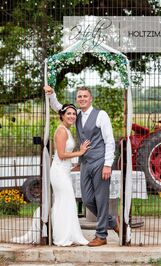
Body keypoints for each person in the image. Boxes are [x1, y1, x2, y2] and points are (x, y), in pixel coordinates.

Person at [44, 85, 119, 247]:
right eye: (79, 96)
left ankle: (101, 235)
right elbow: (59, 108)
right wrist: (52, 94)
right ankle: (112, 221)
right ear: (77, 99)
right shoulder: (76, 114)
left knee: (100, 198)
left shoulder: (101, 115)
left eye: (85, 96)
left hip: (100, 162)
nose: (82, 99)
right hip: (85, 162)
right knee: (86, 199)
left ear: (91, 98)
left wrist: (108, 164)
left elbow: (110, 141)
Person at [50, 103, 91, 246]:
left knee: (65, 202)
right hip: (59, 172)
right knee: (65, 202)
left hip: (64, 171)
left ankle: (68, 234)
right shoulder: (61, 131)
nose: (72, 116)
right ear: (62, 115)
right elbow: (61, 155)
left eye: (74, 114)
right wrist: (80, 152)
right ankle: (62, 237)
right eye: (69, 113)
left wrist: (73, 164)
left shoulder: (67, 130)